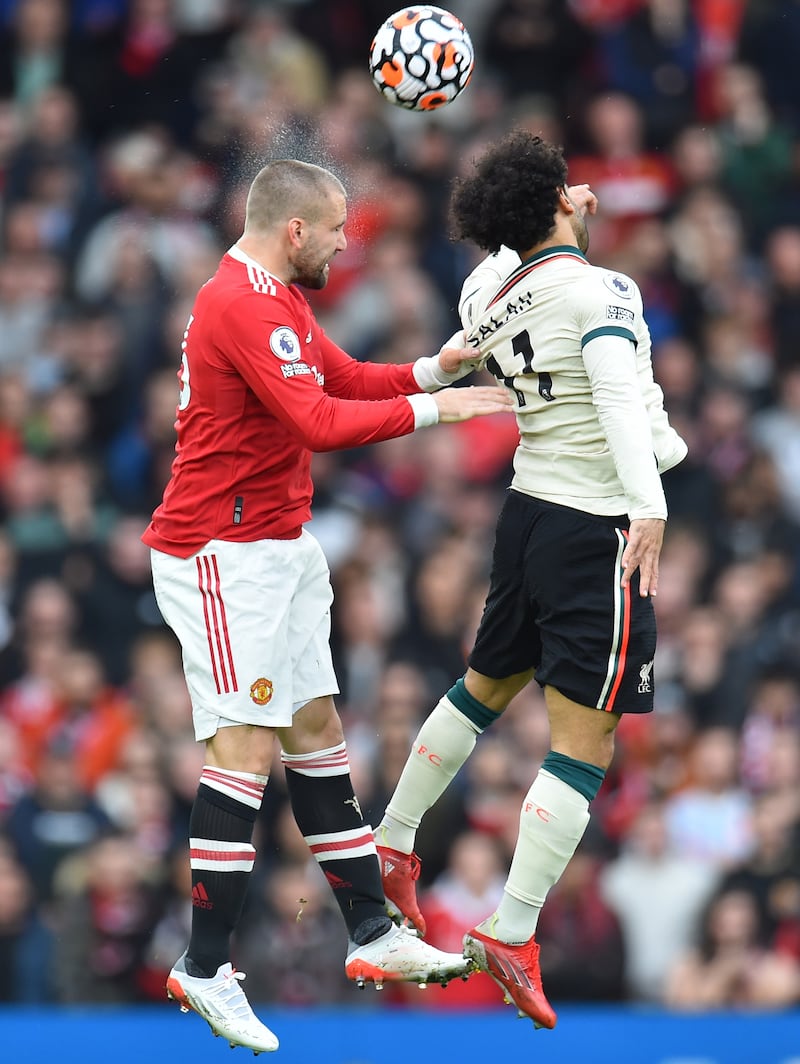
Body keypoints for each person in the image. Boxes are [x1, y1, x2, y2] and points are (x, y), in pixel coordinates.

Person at [142, 158, 512, 1054]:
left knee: (315, 736)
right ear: (295, 229)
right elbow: (318, 424)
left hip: (278, 548)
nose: (349, 242)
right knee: (244, 753)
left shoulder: (274, 297)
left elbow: (339, 378)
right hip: (223, 557)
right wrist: (445, 409)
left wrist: (429, 368)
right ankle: (203, 966)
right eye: (340, 228)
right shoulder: (244, 304)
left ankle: (373, 934)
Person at [375, 130, 688, 1030]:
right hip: (598, 526)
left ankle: (393, 841)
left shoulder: (487, 292)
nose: (584, 192)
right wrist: (649, 506)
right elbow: (617, 395)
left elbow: (451, 358)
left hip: (526, 517)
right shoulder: (602, 290)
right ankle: (510, 931)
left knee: (482, 687)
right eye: (569, 186)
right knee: (585, 744)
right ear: (555, 203)